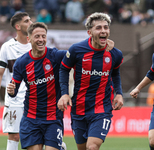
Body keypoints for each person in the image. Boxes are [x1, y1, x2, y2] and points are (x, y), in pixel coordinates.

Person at [7, 21, 115, 150]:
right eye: (37, 36)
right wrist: (11, 90)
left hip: (53, 117)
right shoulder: (21, 63)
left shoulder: (56, 55)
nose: (41, 39)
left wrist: (100, 43)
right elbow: (13, 91)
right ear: (29, 39)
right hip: (31, 118)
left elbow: (79, 52)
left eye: (43, 36)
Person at [58, 12, 124, 150]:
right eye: (98, 28)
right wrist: (64, 93)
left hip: (102, 108)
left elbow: (116, 73)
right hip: (79, 108)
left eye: (106, 27)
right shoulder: (77, 50)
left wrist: (119, 93)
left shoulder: (115, 54)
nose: (103, 31)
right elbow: (64, 70)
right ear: (89, 32)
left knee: (92, 147)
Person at [0, 12, 32, 150]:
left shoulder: (36, 45)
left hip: (35, 99)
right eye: (27, 21)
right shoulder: (7, 47)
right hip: (14, 100)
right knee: (14, 137)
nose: (31, 23)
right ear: (18, 26)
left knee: (37, 135)